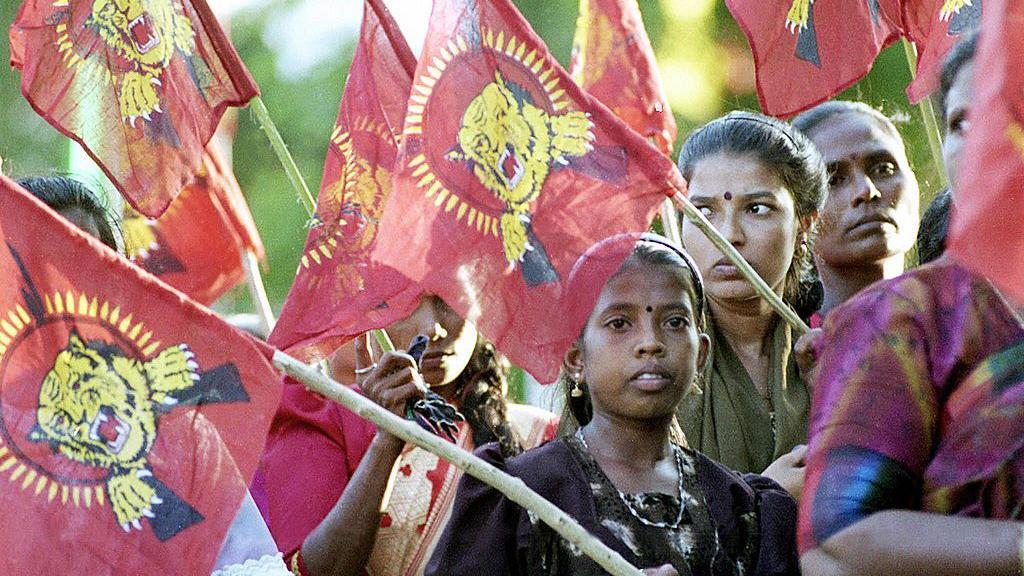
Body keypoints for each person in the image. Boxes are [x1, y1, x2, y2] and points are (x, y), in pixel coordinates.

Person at [425, 235, 799, 576]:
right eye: (620, 323)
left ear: (700, 354)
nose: (650, 342)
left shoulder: (740, 508)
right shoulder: (520, 497)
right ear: (576, 360)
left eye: (674, 321)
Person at [798, 34, 1024, 575]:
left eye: (1006, 111)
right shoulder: (902, 319)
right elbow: (835, 540)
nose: (981, 141)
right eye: (959, 124)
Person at [17, 175, 289, 576]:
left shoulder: (181, 437)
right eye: (46, 265)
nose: (67, 286)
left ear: (120, 284)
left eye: (88, 261)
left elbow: (251, 567)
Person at [261, 294, 558, 576]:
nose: (433, 329)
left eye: (449, 301)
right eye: (404, 303)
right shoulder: (321, 412)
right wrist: (388, 440)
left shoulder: (542, 435)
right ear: (368, 316)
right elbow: (315, 570)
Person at [675, 112, 827, 490]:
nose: (728, 235)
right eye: (704, 212)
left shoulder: (841, 348)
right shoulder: (651, 351)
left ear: (805, 223)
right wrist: (761, 499)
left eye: (757, 208)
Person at [792, 102, 920, 321]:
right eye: (834, 180)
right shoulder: (791, 351)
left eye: (883, 169)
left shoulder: (974, 320)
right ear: (799, 219)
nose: (866, 191)